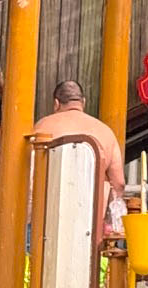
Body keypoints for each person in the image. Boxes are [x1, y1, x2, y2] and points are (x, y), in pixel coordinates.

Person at [32, 79, 125, 227]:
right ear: (83, 102)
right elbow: (119, 183)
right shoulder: (105, 132)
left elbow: (28, 173)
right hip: (90, 222)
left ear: (56, 104)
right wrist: (109, 220)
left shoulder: (43, 126)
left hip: (47, 218)